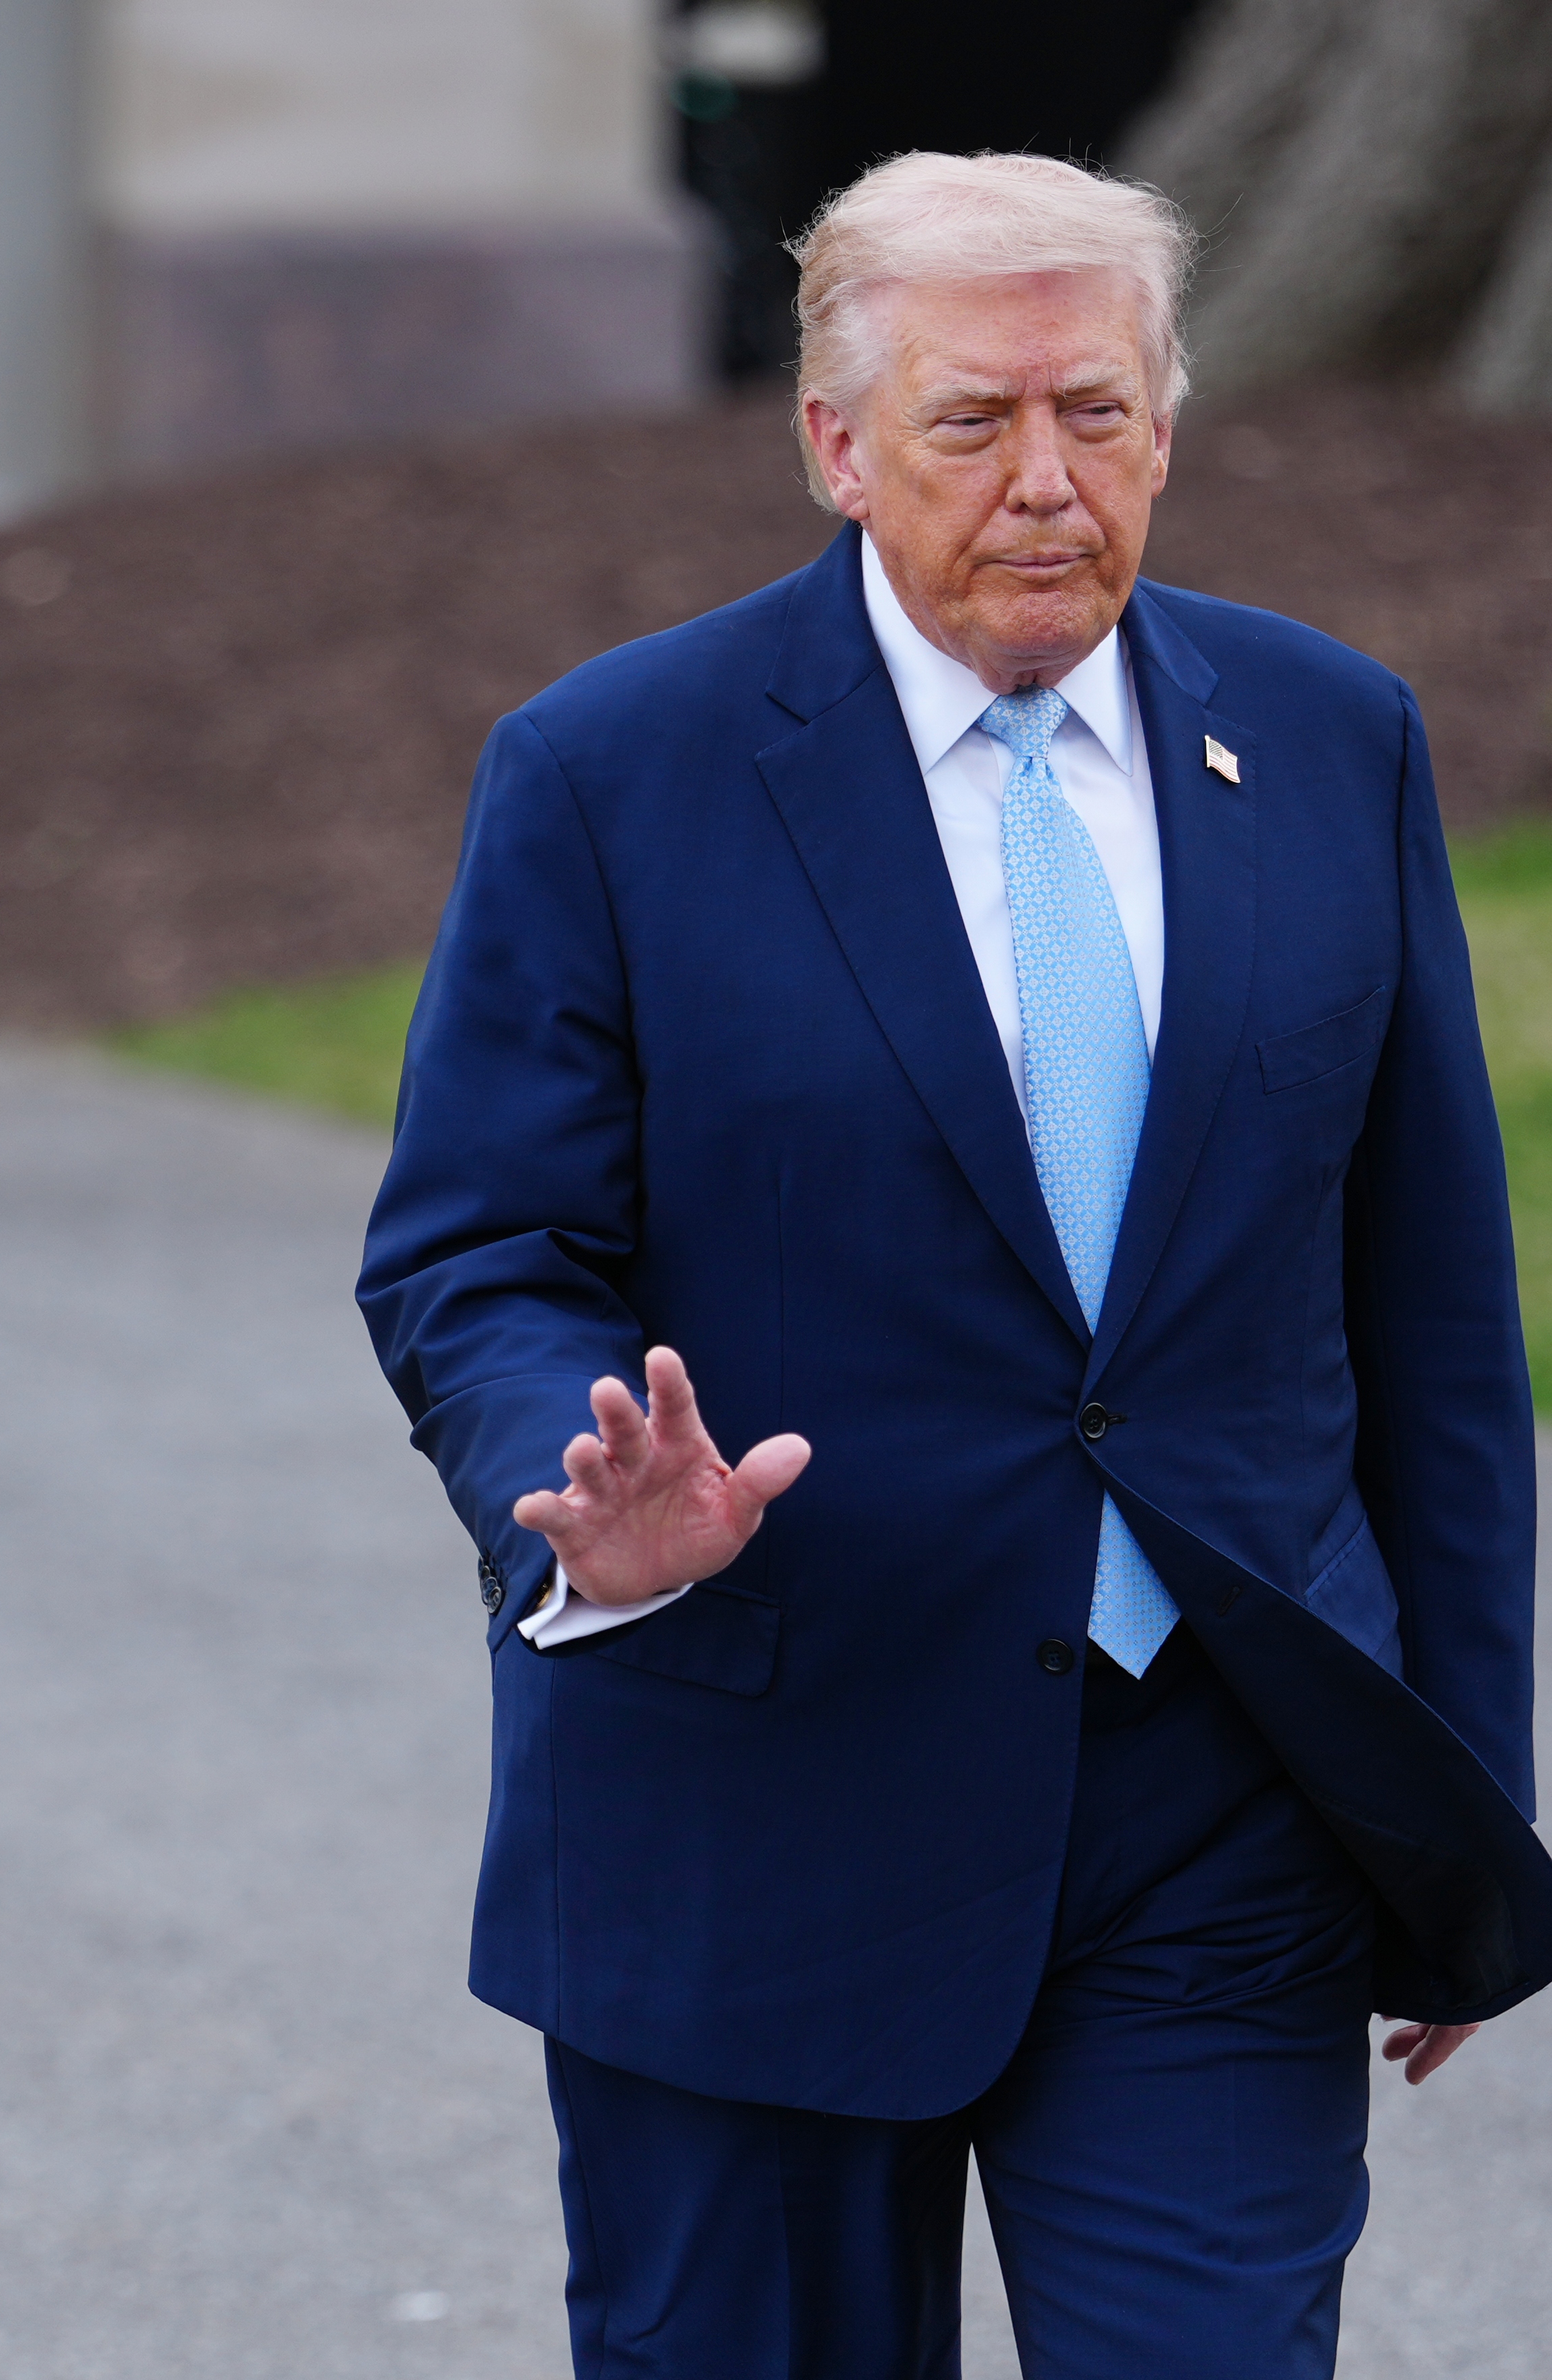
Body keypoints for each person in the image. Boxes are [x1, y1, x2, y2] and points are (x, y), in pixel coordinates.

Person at [357, 150, 1552, 2377]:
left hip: (1219, 1810)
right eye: (969, 422)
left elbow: (1429, 1327)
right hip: (759, 1808)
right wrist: (592, 1499)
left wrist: (1452, 1814)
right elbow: (478, 1252)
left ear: (1167, 424)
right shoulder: (615, 775)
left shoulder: (1326, 743)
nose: (1041, 485)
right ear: (833, 445)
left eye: (1093, 416)